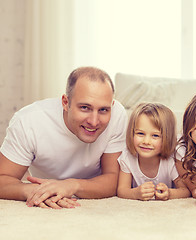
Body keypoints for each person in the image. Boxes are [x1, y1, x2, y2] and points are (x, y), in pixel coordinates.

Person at [0, 66, 127, 209]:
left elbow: (114, 179)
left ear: (112, 105)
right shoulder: (28, 121)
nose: (94, 121)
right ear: (65, 103)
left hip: (92, 196)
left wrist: (72, 185)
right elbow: (3, 179)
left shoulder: (117, 115)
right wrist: (33, 190)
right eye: (85, 107)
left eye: (103, 110)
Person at [117, 103, 190, 200]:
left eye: (155, 136)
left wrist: (169, 193)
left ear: (167, 138)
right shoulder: (127, 157)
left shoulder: (170, 160)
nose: (146, 141)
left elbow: (185, 191)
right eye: (140, 133)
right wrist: (135, 194)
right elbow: (122, 190)